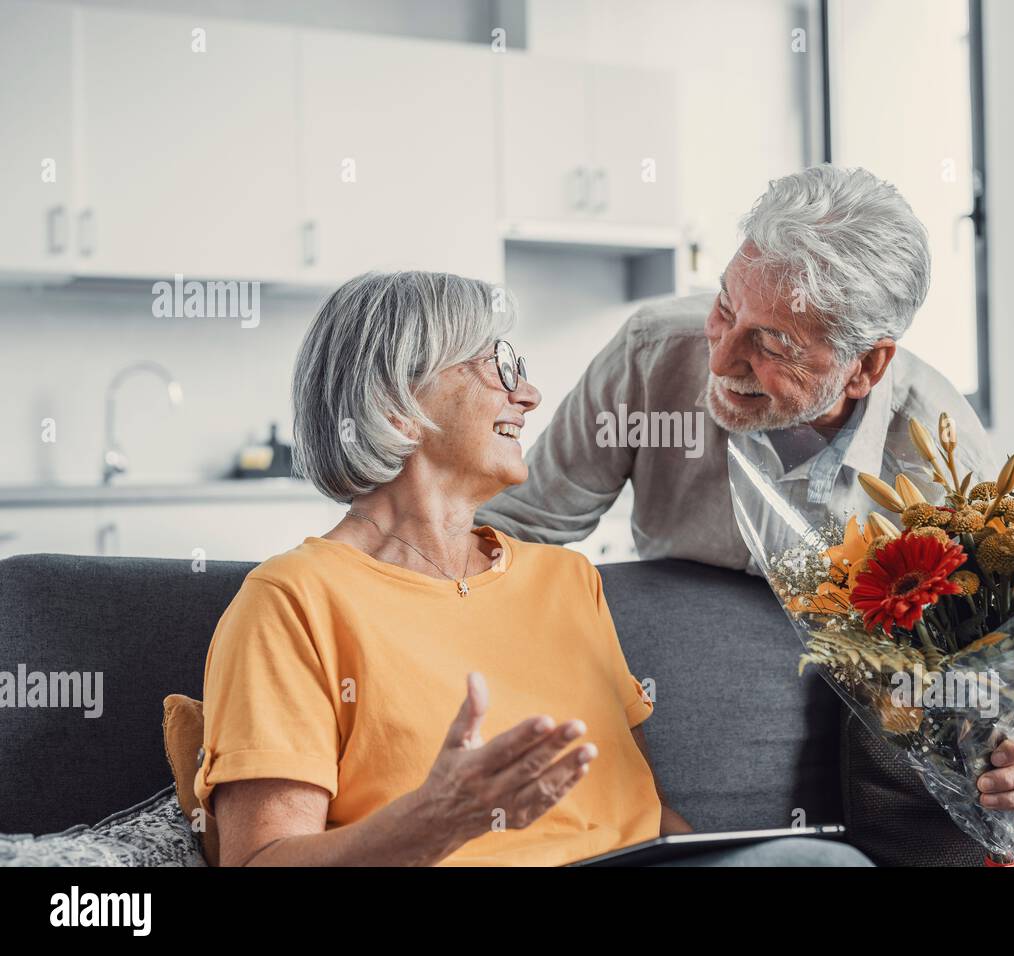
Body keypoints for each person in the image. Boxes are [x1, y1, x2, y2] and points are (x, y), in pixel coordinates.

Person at [195, 270, 871, 866]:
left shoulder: (566, 581)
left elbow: (644, 815)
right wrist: (437, 820)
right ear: (397, 400)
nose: (531, 395)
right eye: (498, 367)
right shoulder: (292, 601)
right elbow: (261, 861)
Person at [479, 164, 1014, 812]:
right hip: (648, 733)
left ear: (866, 366)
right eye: (724, 306)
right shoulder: (649, 355)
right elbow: (518, 527)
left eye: (770, 344)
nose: (719, 361)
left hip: (841, 767)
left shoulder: (939, 456)